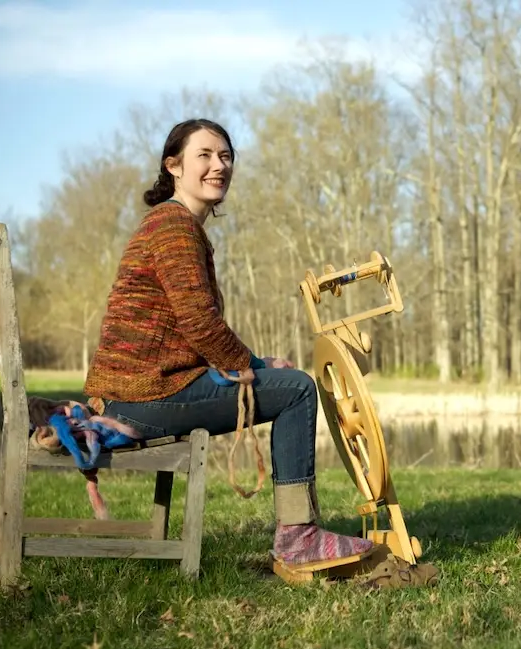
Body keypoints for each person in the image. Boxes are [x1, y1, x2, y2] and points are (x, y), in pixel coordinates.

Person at [83, 118, 373, 570]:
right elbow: (200, 323)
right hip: (142, 396)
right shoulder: (174, 227)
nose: (219, 165)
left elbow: (194, 331)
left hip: (139, 391)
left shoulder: (172, 225)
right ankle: (299, 539)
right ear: (174, 166)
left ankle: (299, 534)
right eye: (205, 155)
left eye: (226, 156)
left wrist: (256, 363)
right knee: (296, 389)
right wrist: (253, 366)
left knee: (284, 379)